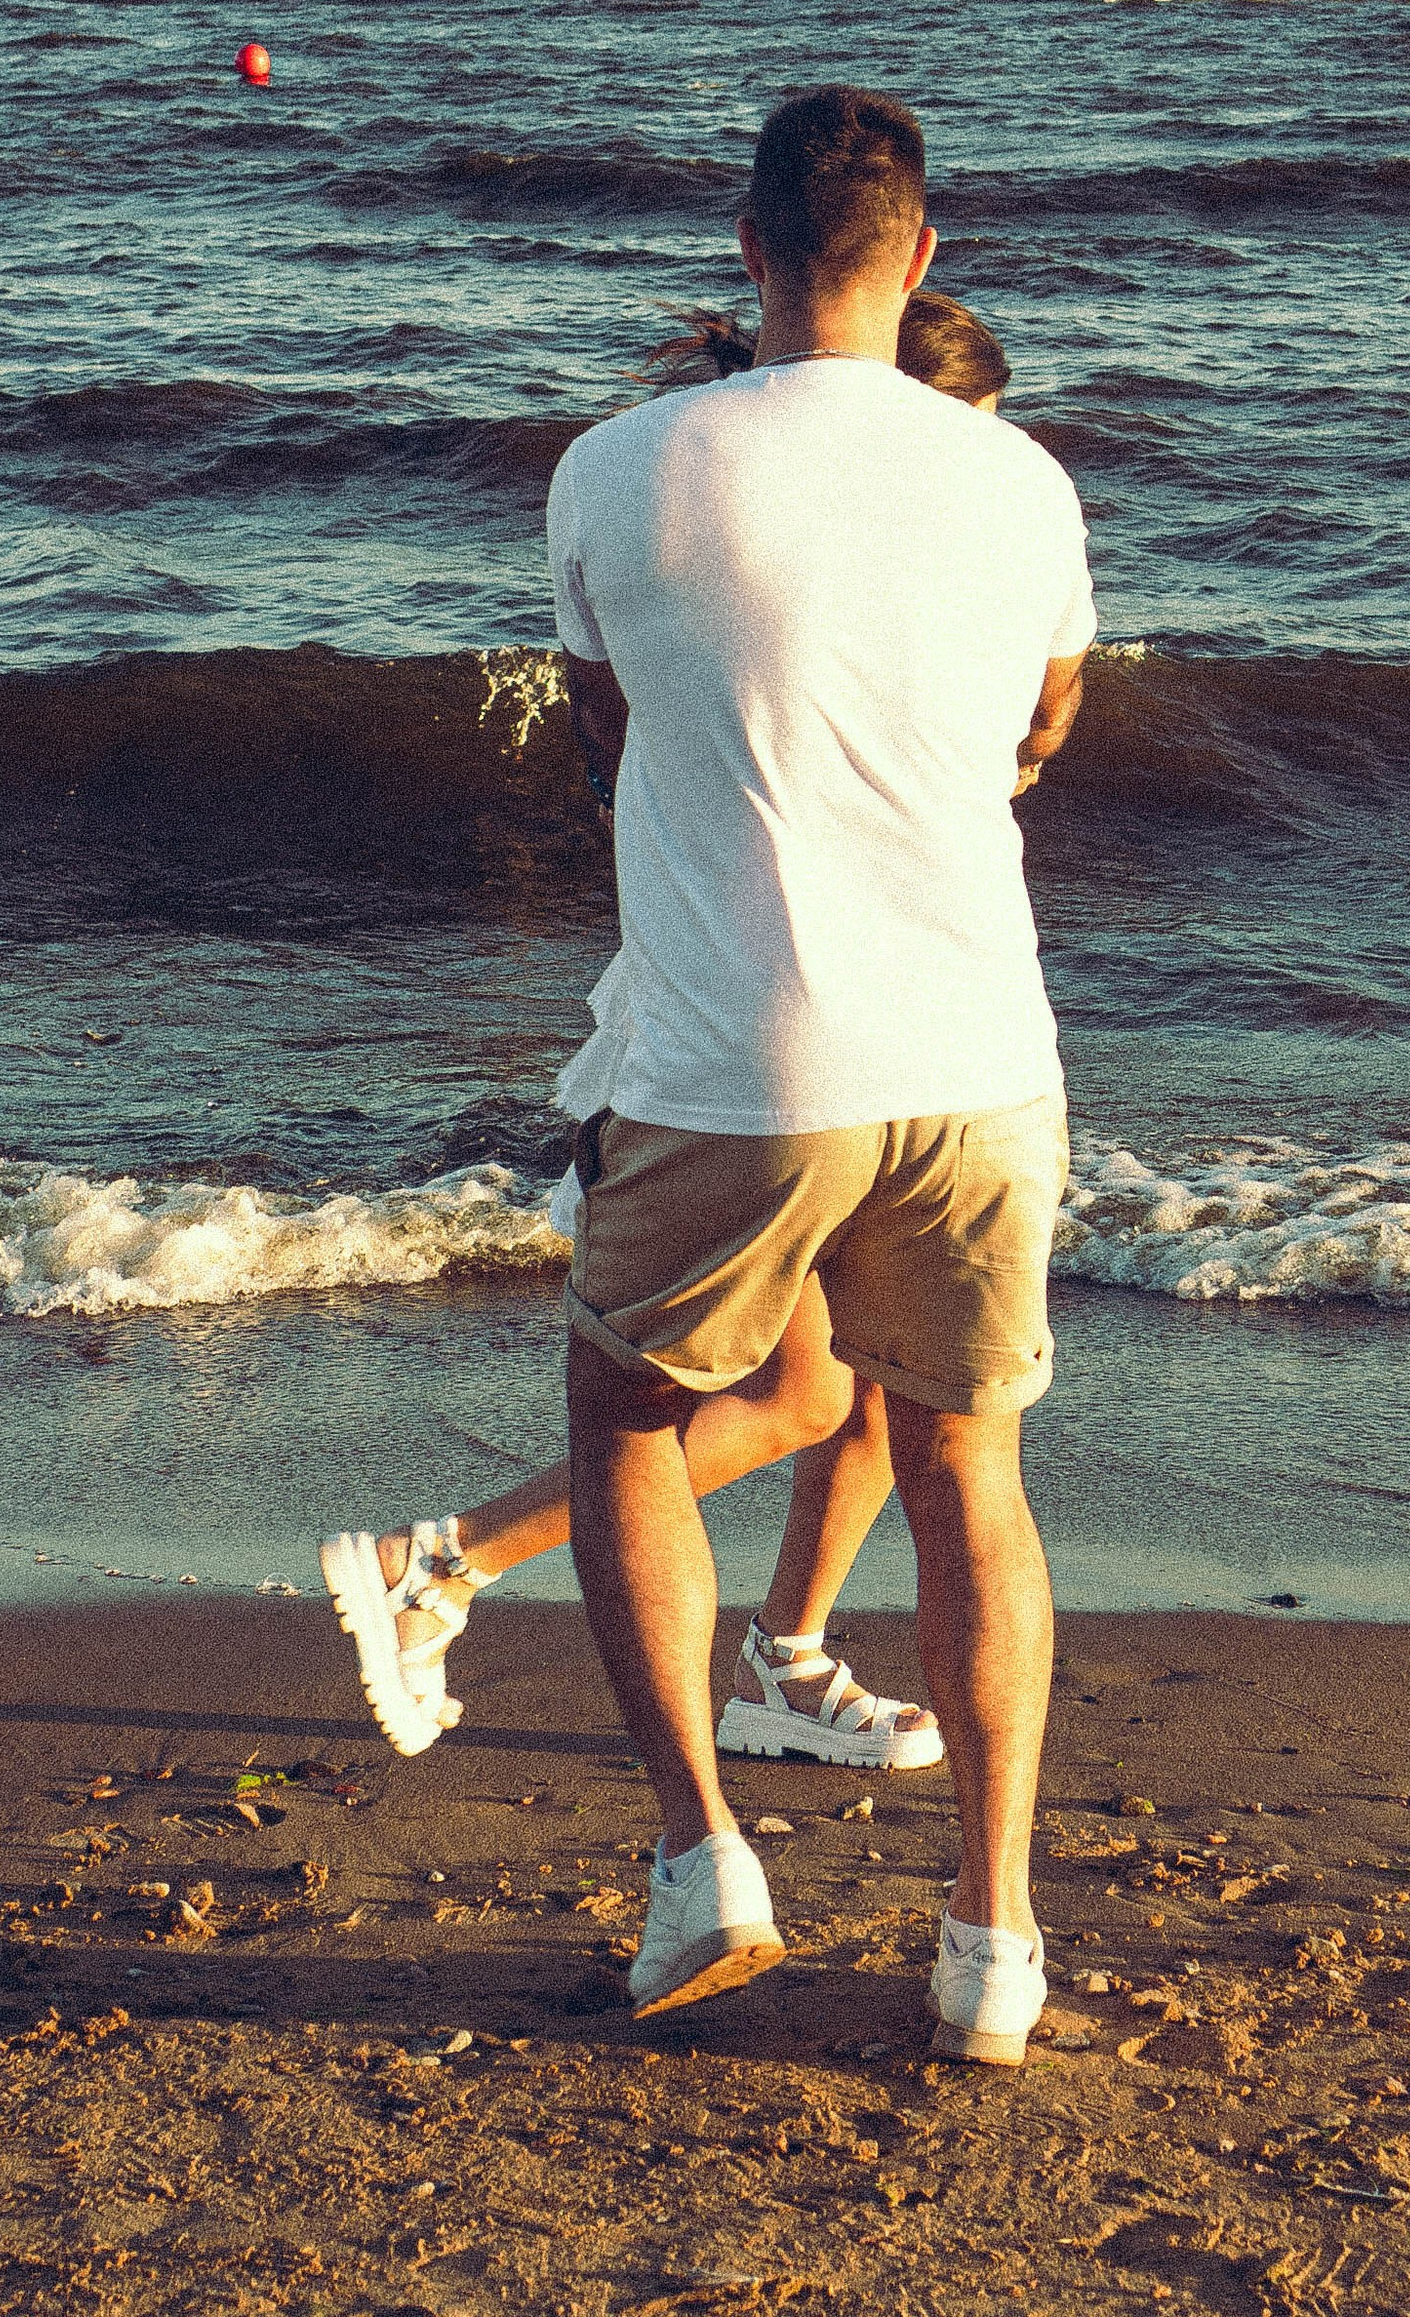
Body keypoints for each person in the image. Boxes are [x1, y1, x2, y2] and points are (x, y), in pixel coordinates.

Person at [340, 89, 1091, 2060]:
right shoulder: (1020, 484)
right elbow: (1043, 729)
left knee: (624, 1431)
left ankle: (703, 1869)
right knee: (968, 1472)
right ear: (923, 258)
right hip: (978, 1051)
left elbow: (602, 732)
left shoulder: (613, 471)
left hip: (732, 1054)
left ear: (744, 247)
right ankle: (990, 1949)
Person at [321, 287, 1022, 1787]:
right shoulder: (773, 574)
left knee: (857, 1389)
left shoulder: (866, 572)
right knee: (795, 1393)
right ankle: (443, 1562)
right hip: (761, 1030)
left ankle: (778, 1656)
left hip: (876, 1027)